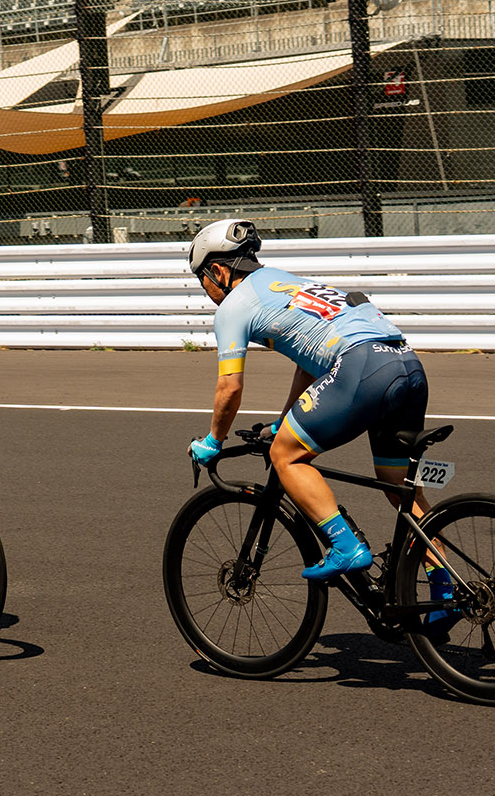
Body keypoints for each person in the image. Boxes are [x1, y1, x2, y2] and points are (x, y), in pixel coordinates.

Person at [184, 218, 439, 589]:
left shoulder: (233, 307)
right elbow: (309, 366)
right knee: (398, 487)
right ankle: (445, 587)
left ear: (218, 271)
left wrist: (213, 441)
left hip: (362, 368)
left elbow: (230, 387)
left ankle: (345, 546)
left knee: (285, 456)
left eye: (202, 280)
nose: (205, 290)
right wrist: (281, 423)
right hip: (406, 364)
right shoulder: (286, 283)